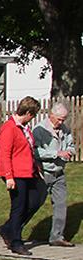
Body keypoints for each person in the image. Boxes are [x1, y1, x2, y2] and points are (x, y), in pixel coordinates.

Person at [0, 96, 44, 256]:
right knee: (19, 206)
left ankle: (8, 228)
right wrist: (9, 176)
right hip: (16, 173)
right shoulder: (9, 128)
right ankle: (15, 241)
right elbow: (4, 153)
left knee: (36, 199)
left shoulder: (23, 128)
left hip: (29, 172)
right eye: (33, 115)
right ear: (28, 112)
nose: (32, 118)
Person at [32, 103, 76, 247]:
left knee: (61, 204)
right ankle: (12, 231)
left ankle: (56, 237)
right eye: (59, 119)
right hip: (44, 172)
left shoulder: (65, 130)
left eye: (64, 119)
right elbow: (35, 152)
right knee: (33, 204)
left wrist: (69, 151)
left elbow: (71, 145)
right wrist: (55, 153)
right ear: (51, 115)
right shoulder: (39, 130)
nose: (61, 122)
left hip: (59, 172)